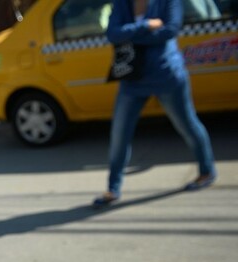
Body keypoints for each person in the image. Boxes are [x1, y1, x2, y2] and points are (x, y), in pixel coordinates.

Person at [93, 0, 217, 207]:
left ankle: (207, 171)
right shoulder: (122, 3)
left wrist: (131, 34)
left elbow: (170, 30)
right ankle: (112, 189)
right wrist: (145, 26)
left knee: (187, 124)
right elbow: (113, 34)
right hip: (133, 79)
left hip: (167, 76)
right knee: (119, 134)